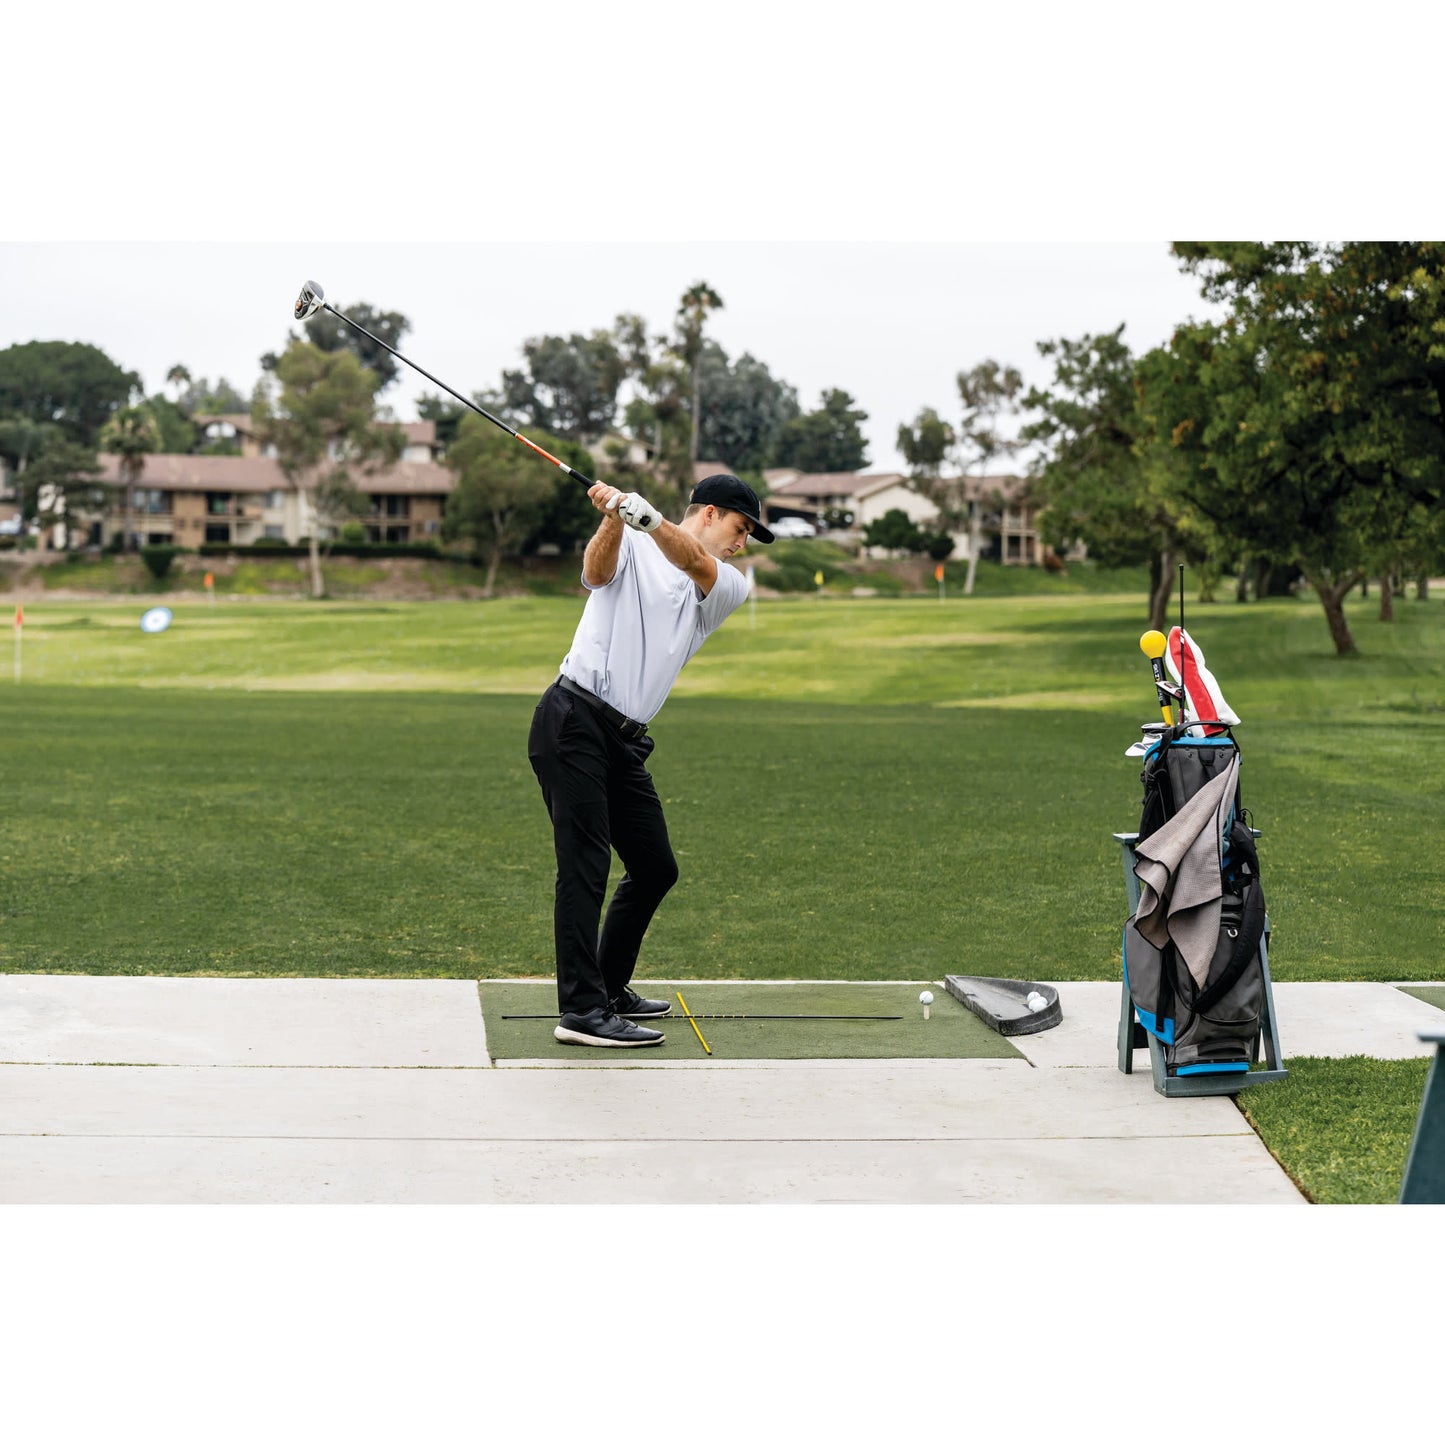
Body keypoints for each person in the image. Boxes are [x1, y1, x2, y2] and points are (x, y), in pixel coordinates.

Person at [528, 473, 774, 1047]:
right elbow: (594, 574)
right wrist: (614, 515)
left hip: (623, 738)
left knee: (656, 866)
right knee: (585, 866)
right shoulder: (633, 538)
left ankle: (609, 988)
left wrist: (645, 516)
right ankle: (582, 1012)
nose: (741, 544)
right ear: (710, 512)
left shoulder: (725, 584)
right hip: (573, 721)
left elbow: (691, 559)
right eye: (740, 529)